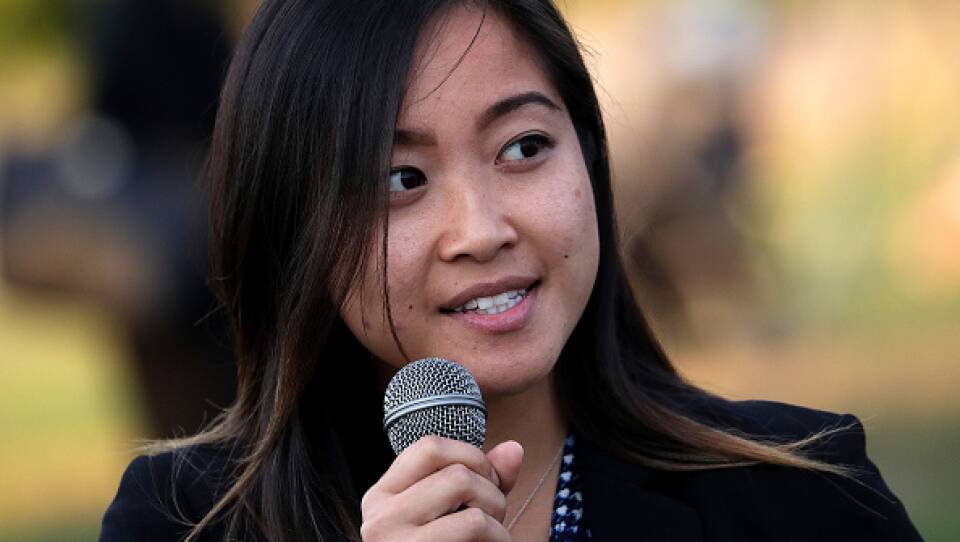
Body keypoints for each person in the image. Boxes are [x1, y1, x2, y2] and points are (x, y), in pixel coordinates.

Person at [99, 0, 922, 540]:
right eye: (400, 180)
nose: (482, 231)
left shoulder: (804, 495)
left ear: (589, 159)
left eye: (523, 148)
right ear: (292, 227)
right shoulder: (178, 521)